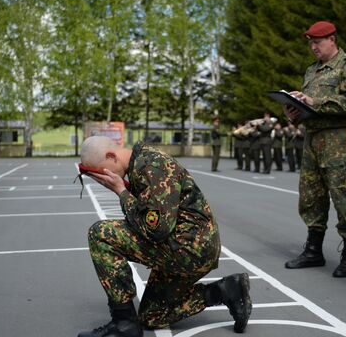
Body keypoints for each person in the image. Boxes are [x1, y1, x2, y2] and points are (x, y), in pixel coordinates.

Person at [77, 137, 252, 337]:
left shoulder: (151, 166)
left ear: (111, 156)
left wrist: (121, 191)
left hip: (190, 248)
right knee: (152, 316)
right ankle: (225, 291)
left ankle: (123, 323)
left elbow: (157, 229)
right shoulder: (140, 162)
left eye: (102, 172)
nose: (102, 179)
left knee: (101, 234)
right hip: (185, 244)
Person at [283, 20, 346, 279]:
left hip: (337, 141)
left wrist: (313, 101)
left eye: (317, 42)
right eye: (310, 42)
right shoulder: (312, 71)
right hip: (312, 140)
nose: (313, 47)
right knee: (310, 197)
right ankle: (313, 250)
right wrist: (292, 111)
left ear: (332, 39)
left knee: (342, 197)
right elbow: (307, 111)